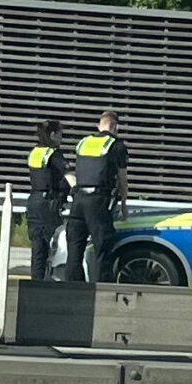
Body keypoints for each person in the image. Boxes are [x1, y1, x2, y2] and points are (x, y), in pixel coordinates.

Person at [65, 110, 128, 283]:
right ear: (116, 127)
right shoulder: (116, 145)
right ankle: (101, 291)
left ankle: (72, 290)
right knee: (103, 246)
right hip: (98, 202)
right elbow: (122, 178)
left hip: (78, 201)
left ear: (98, 126)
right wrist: (124, 203)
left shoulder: (83, 142)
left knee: (74, 248)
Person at [24, 119, 70, 280]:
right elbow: (67, 176)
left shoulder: (35, 152)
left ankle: (36, 284)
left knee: (37, 248)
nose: (61, 138)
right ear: (53, 135)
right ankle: (51, 283)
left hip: (34, 202)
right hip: (48, 204)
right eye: (60, 134)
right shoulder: (54, 154)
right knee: (55, 245)